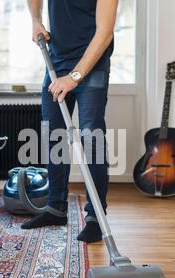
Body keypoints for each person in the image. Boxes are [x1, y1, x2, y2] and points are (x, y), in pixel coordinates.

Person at [23, 0, 119, 243]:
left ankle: (96, 218)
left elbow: (105, 32)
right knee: (54, 135)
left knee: (91, 136)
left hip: (92, 65)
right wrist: (36, 20)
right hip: (56, 61)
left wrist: (74, 77)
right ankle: (55, 208)